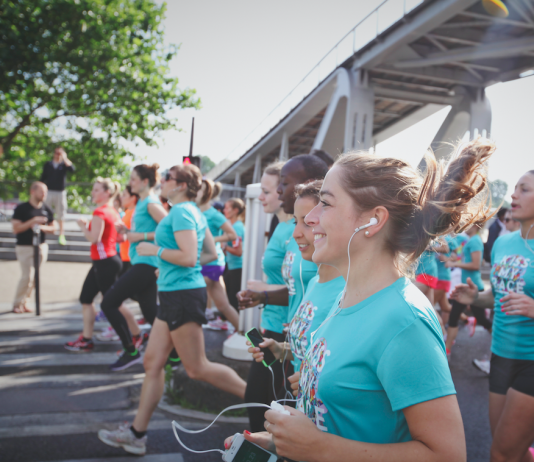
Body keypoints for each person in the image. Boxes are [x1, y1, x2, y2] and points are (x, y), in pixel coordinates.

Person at [226, 138, 497, 462]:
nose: (311, 219)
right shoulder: (344, 298)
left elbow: (448, 455)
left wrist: (320, 449)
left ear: (373, 221)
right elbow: (339, 424)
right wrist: (278, 442)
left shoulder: (403, 321)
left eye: (325, 203)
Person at [98, 163, 246, 455]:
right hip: (173, 292)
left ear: (179, 185)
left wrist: (157, 253)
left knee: (197, 368)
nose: (162, 180)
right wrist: (162, 261)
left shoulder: (181, 211)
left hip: (181, 296)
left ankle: (262, 399)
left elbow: (190, 256)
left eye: (167, 177)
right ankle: (136, 435)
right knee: (152, 363)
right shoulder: (192, 211)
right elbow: (209, 254)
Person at [238, 154, 329, 431]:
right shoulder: (292, 234)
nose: (298, 233)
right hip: (290, 341)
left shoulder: (330, 265)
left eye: (282, 184)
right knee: (261, 403)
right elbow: (297, 291)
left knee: (275, 412)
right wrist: (263, 299)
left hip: (299, 346)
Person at [451, 170, 534, 462]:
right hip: (500, 355)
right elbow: (498, 298)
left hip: (531, 362)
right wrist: (475, 298)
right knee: (512, 448)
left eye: (524, 189)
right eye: (514, 188)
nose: (513, 195)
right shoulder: (502, 243)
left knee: (500, 454)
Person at [247, 180, 343, 392]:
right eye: (296, 222)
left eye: (308, 223)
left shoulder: (348, 291)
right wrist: (281, 350)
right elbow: (314, 349)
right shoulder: (315, 282)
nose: (295, 234)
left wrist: (318, 382)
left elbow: (351, 362)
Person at [100, 164, 168, 371]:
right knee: (150, 313)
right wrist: (129, 231)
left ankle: (131, 351)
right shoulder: (143, 203)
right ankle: (174, 354)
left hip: (147, 264)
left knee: (108, 303)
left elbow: (172, 229)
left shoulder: (151, 203)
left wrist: (140, 236)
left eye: (133, 179)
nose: (130, 183)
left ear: (145, 181)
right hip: (142, 261)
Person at [65, 178, 122, 352]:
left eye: (96, 190)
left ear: (107, 193)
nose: (92, 193)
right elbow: (119, 237)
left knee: (112, 303)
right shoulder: (113, 211)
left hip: (104, 262)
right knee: (86, 298)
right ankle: (87, 338)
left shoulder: (100, 212)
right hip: (106, 261)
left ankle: (134, 336)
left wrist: (82, 226)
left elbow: (93, 238)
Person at [96, 186, 143, 343]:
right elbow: (123, 237)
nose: (121, 197)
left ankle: (130, 334)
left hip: (129, 260)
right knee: (114, 299)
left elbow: (132, 235)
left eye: (125, 194)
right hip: (123, 257)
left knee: (113, 300)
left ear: (133, 198)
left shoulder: (134, 212)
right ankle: (132, 332)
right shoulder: (126, 213)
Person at [195, 178, 239, 330]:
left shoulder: (214, 214)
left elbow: (232, 235)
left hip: (212, 263)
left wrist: (211, 239)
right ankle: (252, 339)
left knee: (191, 304)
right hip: (206, 262)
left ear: (206, 193)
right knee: (224, 306)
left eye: (197, 189)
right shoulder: (195, 212)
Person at [445, 223, 493, 360]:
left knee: (481, 320)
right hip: (467, 288)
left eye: (470, 222)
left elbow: (476, 265)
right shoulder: (471, 240)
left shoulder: (476, 241)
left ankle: (500, 343)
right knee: (454, 317)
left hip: (474, 288)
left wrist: (454, 264)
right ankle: (447, 350)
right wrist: (454, 259)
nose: (466, 225)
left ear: (477, 225)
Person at [11, 182, 55, 313]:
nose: (44, 195)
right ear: (32, 191)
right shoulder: (22, 208)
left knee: (35, 277)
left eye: (46, 192)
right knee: (28, 276)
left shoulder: (47, 209)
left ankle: (25, 302)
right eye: (42, 191)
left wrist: (41, 227)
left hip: (40, 246)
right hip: (25, 247)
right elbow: (16, 228)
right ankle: (17, 303)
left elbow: (54, 228)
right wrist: (33, 221)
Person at [40, 146, 74, 245]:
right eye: (56, 153)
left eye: (59, 153)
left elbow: (72, 169)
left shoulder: (64, 165)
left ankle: (61, 234)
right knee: (44, 212)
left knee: (61, 214)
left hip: (60, 192)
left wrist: (65, 158)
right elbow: (43, 177)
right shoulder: (48, 164)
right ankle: (43, 233)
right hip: (49, 191)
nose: (57, 155)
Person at [222, 198, 246, 315]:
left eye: (227, 208)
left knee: (232, 298)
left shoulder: (236, 227)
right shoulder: (232, 226)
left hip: (237, 268)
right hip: (232, 266)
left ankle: (234, 325)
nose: (224, 210)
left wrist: (224, 247)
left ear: (235, 210)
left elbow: (239, 251)